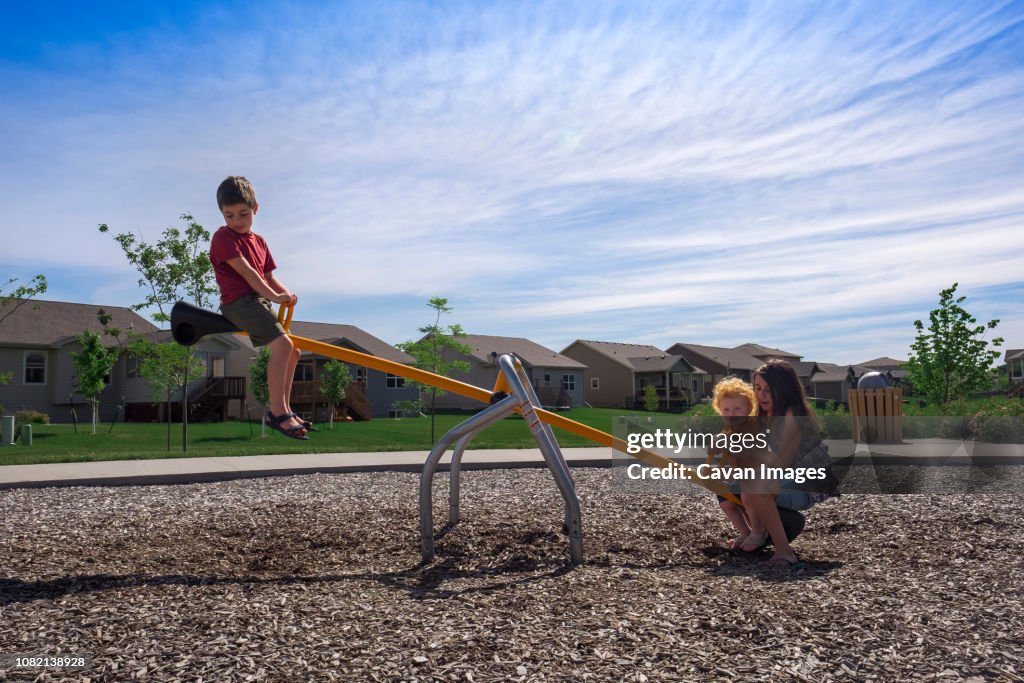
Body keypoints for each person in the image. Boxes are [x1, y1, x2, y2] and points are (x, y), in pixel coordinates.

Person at [209, 176, 311, 440]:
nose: (236, 221)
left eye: (243, 213)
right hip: (238, 303)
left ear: (255, 208)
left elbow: (268, 275)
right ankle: (277, 412)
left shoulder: (260, 241)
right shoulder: (223, 238)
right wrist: (274, 296)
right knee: (284, 346)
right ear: (222, 214)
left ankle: (286, 408)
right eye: (229, 215)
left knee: (294, 352)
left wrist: (284, 292)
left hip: (259, 301)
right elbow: (248, 274)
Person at [740, 359, 837, 568]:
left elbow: (781, 462)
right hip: (788, 479)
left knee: (756, 487)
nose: (761, 395)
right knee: (737, 485)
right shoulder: (765, 415)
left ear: (784, 389)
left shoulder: (792, 414)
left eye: (768, 389)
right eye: (757, 388)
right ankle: (755, 534)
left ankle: (784, 552)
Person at [706, 377, 758, 550]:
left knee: (746, 497)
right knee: (725, 501)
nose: (732, 413)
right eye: (726, 409)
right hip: (740, 479)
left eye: (737, 408)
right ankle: (745, 532)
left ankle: (759, 531)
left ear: (749, 409)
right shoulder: (728, 430)